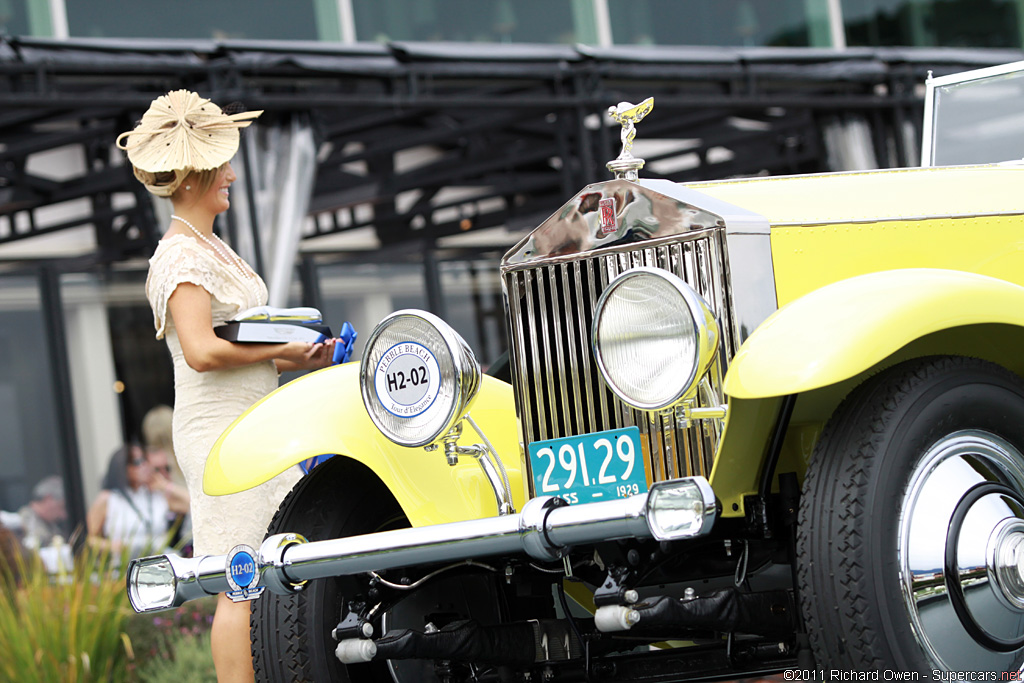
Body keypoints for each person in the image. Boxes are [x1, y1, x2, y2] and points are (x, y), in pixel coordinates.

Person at [116, 89, 335, 683]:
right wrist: (283, 350)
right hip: (220, 434)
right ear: (189, 178)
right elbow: (203, 352)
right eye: (221, 164)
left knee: (269, 569)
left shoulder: (209, 247)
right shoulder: (180, 254)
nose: (232, 174)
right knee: (240, 577)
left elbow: (236, 352)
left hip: (253, 425)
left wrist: (298, 358)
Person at [86, 442, 188, 562]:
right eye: (137, 463)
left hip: (160, 562)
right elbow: (91, 539)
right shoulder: (108, 499)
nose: (144, 466)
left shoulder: (155, 495)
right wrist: (113, 546)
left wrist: (166, 486)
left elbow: (192, 505)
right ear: (122, 467)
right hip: (124, 566)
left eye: (145, 461)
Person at [15, 475, 68, 552]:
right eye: (61, 507)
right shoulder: (23, 521)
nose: (63, 515)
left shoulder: (51, 525)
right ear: (48, 499)